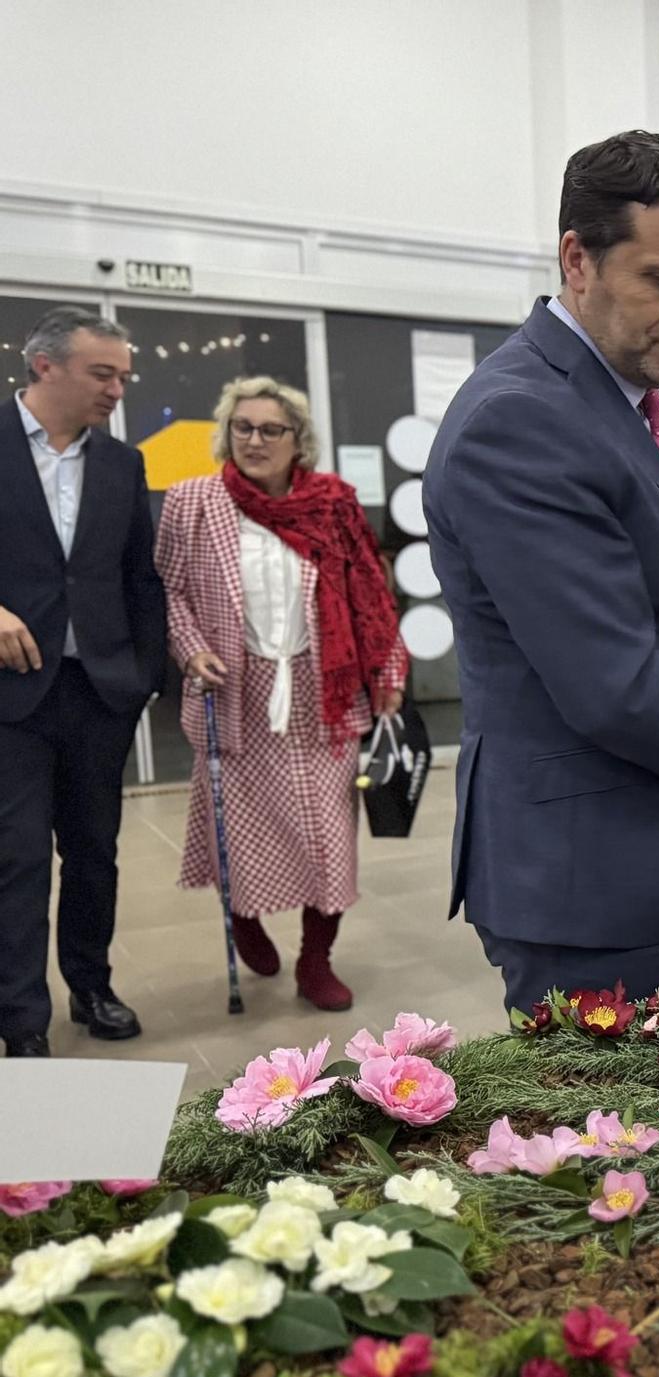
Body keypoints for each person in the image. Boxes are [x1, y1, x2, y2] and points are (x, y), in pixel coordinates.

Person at [425, 129, 659, 1015]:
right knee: (596, 1142)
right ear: (577, 260)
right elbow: (613, 681)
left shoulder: (634, 405)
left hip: (636, 836)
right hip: (581, 869)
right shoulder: (521, 420)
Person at [158, 377, 408, 1012]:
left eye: (271, 429)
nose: (254, 440)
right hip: (235, 691)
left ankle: (315, 959)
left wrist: (388, 670)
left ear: (299, 440)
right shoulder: (192, 502)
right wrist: (191, 649)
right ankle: (244, 917)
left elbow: (370, 594)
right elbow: (171, 593)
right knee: (241, 833)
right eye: (243, 428)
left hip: (322, 691)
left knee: (329, 838)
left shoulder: (333, 504)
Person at [0, 308, 165, 1056]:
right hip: (12, 695)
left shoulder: (122, 464)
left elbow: (141, 578)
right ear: (45, 367)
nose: (117, 389)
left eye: (123, 376)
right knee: (20, 854)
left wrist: (144, 678)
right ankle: (20, 1018)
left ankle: (91, 987)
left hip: (99, 691)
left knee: (95, 851)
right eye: (104, 374)